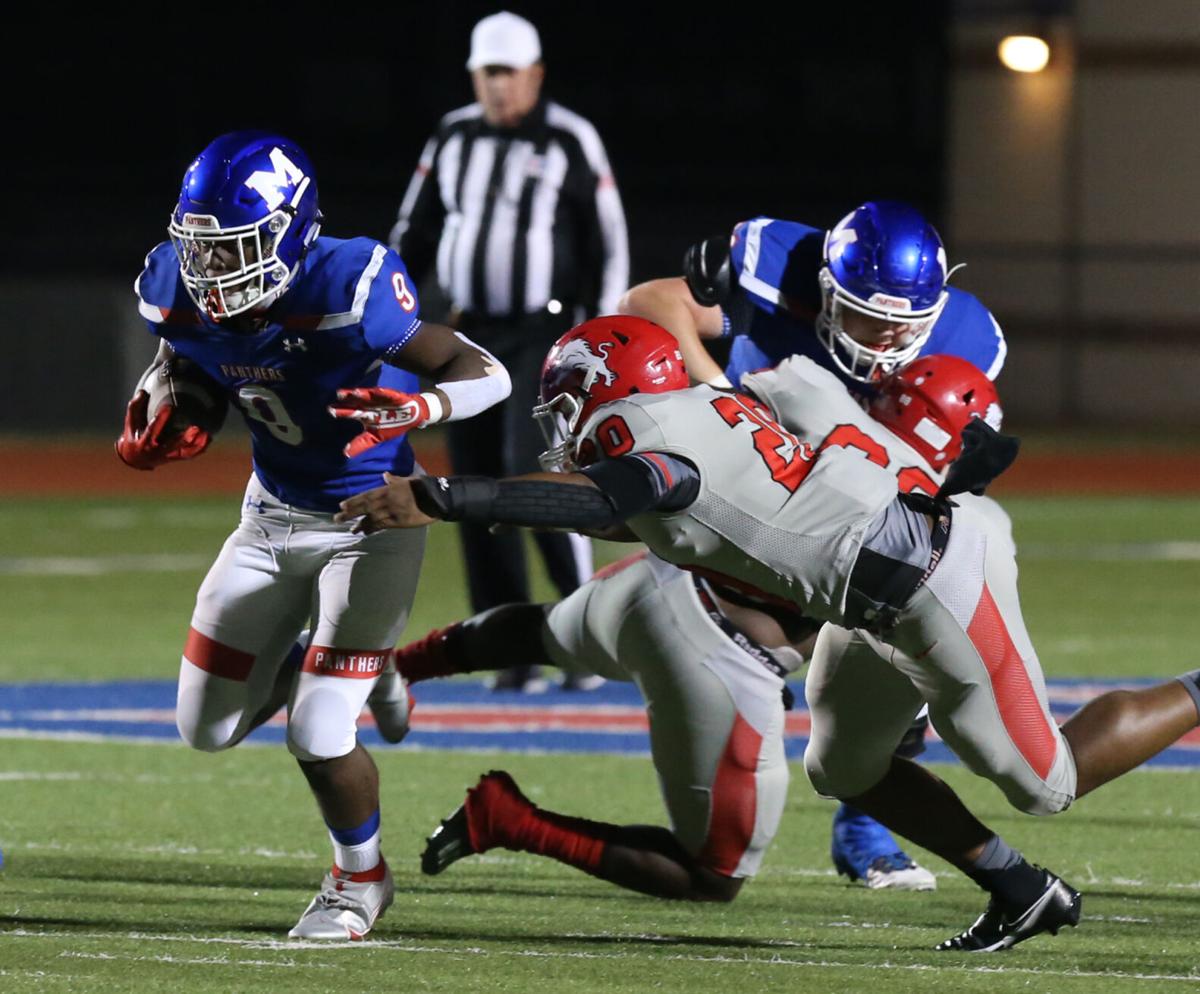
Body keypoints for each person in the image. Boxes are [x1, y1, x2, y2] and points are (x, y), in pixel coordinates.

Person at [336, 315, 1200, 952]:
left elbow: (609, 500)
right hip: (879, 592)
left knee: (1044, 779)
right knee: (845, 766)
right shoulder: (697, 409)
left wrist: (447, 496)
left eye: (570, 400)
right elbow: (645, 514)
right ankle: (1020, 890)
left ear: (613, 390)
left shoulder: (654, 437)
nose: (561, 421)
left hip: (935, 582)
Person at [393, 353, 988, 901]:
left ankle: (398, 666)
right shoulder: (907, 497)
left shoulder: (813, 416)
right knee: (715, 873)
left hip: (656, 585)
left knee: (542, 631)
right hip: (724, 656)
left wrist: (515, 500)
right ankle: (508, 818)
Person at [116, 130, 511, 941]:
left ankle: (359, 881)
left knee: (318, 729)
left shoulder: (350, 283)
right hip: (269, 514)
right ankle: (364, 665)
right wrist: (173, 404)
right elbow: (191, 358)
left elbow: (487, 371)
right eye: (203, 250)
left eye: (235, 251)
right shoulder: (173, 286)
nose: (212, 273)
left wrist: (421, 409)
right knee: (206, 727)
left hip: (371, 521)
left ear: (291, 233)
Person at [618, 200, 1007, 889]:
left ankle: (863, 828)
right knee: (728, 657)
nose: (883, 341)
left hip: (851, 497)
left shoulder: (966, 335)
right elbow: (648, 302)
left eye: (902, 325)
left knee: (912, 646)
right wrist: (718, 394)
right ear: (827, 289)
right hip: (741, 492)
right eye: (864, 316)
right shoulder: (778, 265)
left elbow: (926, 463)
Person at [388, 10, 629, 692]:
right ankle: (504, 644)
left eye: (508, 73)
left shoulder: (569, 138)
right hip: (469, 332)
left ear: (535, 75)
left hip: (542, 332)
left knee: (533, 475)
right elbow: (418, 225)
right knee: (471, 483)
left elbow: (606, 240)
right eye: (485, 73)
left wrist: (597, 336)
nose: (496, 86)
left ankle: (586, 632)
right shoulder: (455, 133)